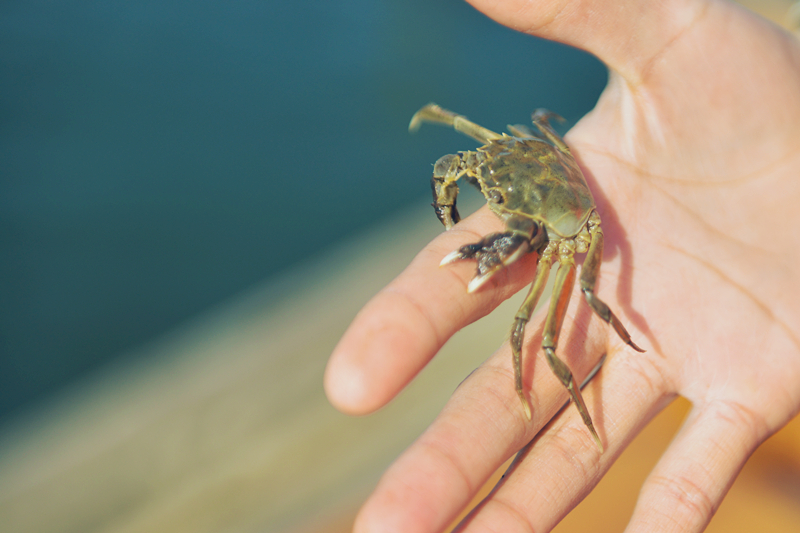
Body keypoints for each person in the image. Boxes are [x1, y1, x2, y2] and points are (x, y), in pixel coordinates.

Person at [324, 1, 800, 531]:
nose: (492, 197)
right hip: (548, 161)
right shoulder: (505, 153)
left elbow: (540, 250)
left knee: (543, 338)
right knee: (482, 156)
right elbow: (489, 150)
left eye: (499, 197)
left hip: (575, 230)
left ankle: (556, 400)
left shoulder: (541, 232)